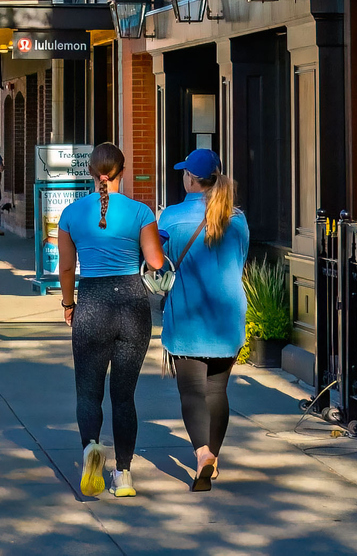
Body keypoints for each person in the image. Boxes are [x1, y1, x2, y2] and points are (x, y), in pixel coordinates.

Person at [55, 141, 165, 498]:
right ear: (123, 171)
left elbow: (68, 267)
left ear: (91, 172)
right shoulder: (141, 212)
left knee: (88, 391)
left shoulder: (71, 214)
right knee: (124, 396)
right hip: (132, 304)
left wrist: (69, 304)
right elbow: (156, 263)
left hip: (91, 302)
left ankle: (91, 449)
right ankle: (125, 475)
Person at [158, 148, 250, 490]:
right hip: (228, 316)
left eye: (185, 173)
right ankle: (214, 454)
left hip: (187, 314)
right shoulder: (237, 218)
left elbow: (157, 261)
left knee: (193, 391)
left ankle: (202, 454)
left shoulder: (170, 217)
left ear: (191, 179)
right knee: (217, 390)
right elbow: (240, 260)